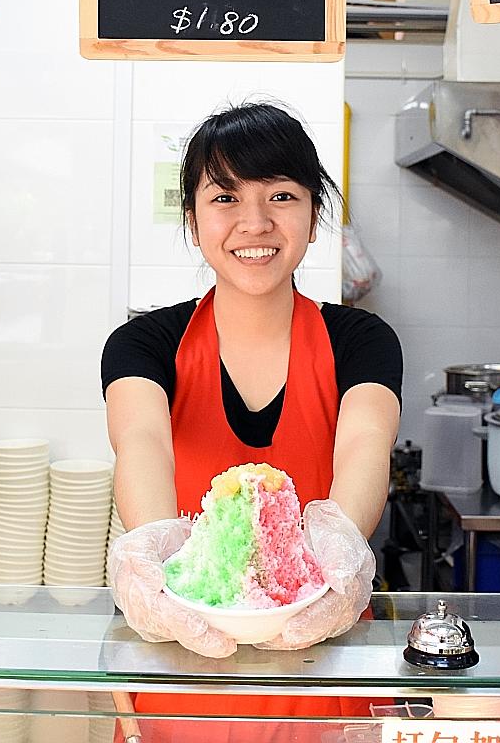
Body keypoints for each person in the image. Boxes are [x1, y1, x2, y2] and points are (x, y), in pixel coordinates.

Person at [102, 102, 402, 738]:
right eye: (225, 197)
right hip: (187, 669)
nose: (254, 222)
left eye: (283, 195)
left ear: (314, 215)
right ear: (192, 218)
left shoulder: (362, 341)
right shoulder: (144, 344)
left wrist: (343, 555)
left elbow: (365, 444)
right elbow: (143, 442)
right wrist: (158, 569)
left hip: (323, 657)